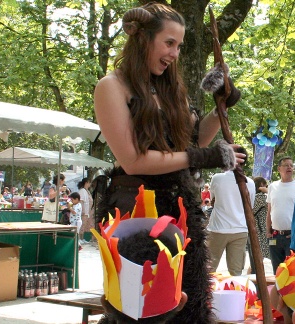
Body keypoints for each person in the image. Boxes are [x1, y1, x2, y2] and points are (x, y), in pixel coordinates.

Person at [93, 3, 244, 322]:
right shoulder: (111, 87)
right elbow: (132, 160)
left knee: (190, 308)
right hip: (137, 213)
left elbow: (192, 142)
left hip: (181, 209)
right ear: (143, 39)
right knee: (142, 310)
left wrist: (221, 107)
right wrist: (202, 157)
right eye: (168, 42)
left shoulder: (170, 91)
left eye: (179, 45)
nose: (175, 53)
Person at [207, 168, 254, 276]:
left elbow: (213, 199)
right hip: (240, 229)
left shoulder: (217, 178)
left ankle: (206, 293)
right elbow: (250, 206)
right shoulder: (250, 182)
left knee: (208, 269)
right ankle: (235, 291)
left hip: (218, 228)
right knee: (236, 272)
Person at [267, 156, 295, 274]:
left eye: (291, 165)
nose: (289, 167)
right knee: (277, 270)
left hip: (291, 236)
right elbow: (269, 210)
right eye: (286, 165)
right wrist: (268, 231)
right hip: (274, 236)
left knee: (291, 271)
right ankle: (278, 292)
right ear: (279, 168)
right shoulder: (272, 186)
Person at [249, 177, 270, 268]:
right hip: (262, 230)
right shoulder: (261, 197)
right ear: (261, 185)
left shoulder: (253, 197)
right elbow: (276, 199)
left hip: (257, 229)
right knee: (259, 259)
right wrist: (267, 191)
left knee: (257, 258)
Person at [77, 178, 93, 243]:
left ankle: (82, 238)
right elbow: (81, 201)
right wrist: (82, 210)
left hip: (87, 212)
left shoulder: (87, 191)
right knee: (81, 225)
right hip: (84, 212)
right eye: (89, 182)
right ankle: (79, 238)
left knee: (84, 225)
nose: (90, 184)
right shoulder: (82, 191)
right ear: (86, 183)